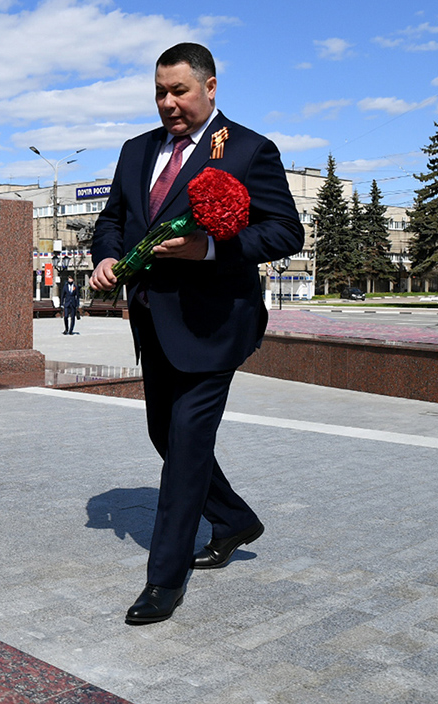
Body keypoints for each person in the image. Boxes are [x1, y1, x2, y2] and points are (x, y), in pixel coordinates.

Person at [89, 43, 304, 625]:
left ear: (211, 88)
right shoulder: (137, 151)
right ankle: (233, 519)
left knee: (185, 442)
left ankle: (165, 577)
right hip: (152, 320)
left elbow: (285, 232)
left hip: (214, 324)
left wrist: (209, 247)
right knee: (165, 431)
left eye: (179, 91)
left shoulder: (249, 149)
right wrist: (106, 257)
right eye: (160, 92)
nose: (168, 103)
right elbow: (112, 219)